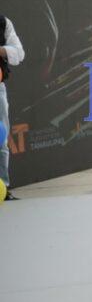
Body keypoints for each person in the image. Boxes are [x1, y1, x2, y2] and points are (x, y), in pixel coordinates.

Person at [0, 13, 25, 201]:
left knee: (1, 140)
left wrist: (0, 50)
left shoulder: (3, 22)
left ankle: (3, 187)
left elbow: (19, 53)